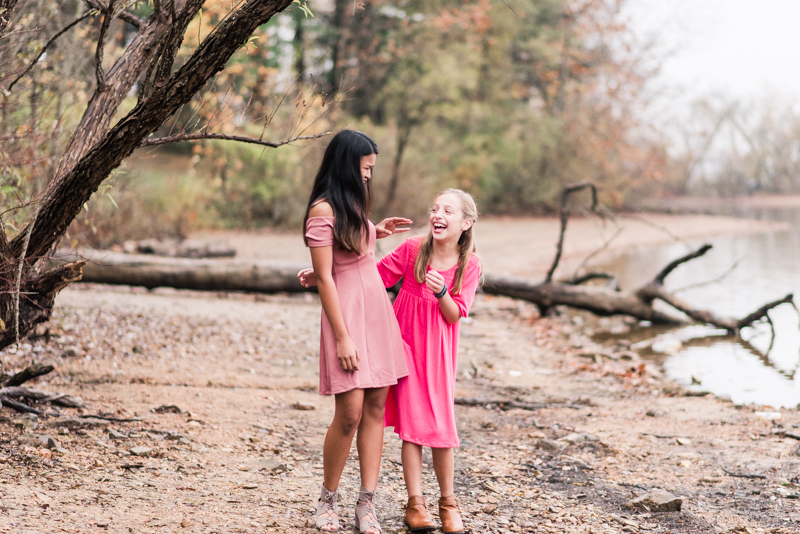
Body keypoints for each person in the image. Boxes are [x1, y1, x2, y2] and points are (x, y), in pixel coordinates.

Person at [302, 130, 412, 534]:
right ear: (348, 164)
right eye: (365, 169)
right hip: (346, 316)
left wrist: (374, 230)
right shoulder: (322, 210)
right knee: (348, 413)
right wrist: (343, 336)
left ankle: (367, 503)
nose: (369, 177)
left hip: (377, 311)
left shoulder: (351, 205)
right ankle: (326, 499)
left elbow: (354, 253)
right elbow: (328, 278)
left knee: (376, 410)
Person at [376, 189, 481, 534]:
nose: (438, 214)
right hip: (404, 344)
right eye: (435, 208)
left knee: (440, 425)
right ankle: (415, 504)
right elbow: (376, 277)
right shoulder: (413, 250)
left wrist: (441, 293)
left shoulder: (469, 264)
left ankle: (448, 502)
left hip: (437, 353)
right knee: (412, 424)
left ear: (465, 223)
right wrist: (328, 274)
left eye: (447, 211)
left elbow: (454, 316)